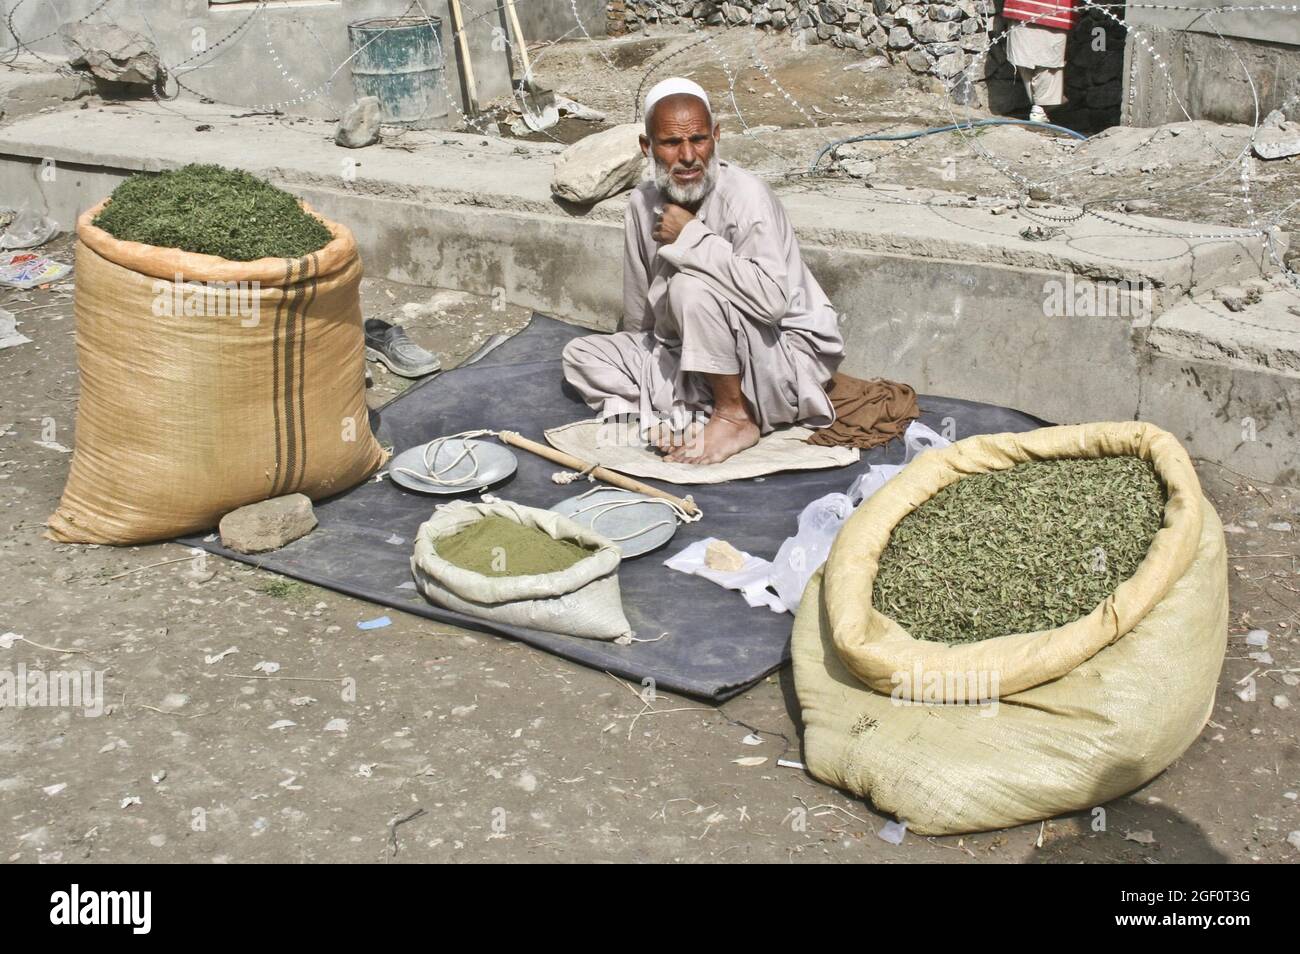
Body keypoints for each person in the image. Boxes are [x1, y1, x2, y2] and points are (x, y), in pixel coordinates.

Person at [561, 77, 843, 465]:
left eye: (699, 139)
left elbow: (773, 303)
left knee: (689, 288)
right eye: (672, 143)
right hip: (692, 354)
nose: (689, 156)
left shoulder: (745, 197)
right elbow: (640, 318)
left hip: (777, 356)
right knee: (581, 354)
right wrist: (648, 368)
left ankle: (735, 416)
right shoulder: (641, 203)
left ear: (716, 136)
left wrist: (691, 237)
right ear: (648, 148)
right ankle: (678, 414)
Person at [1002, 0, 1079, 123]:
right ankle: (1041, 107)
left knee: (1027, 58)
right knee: (1048, 63)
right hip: (1054, 11)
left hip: (1022, 8)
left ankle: (1041, 106)